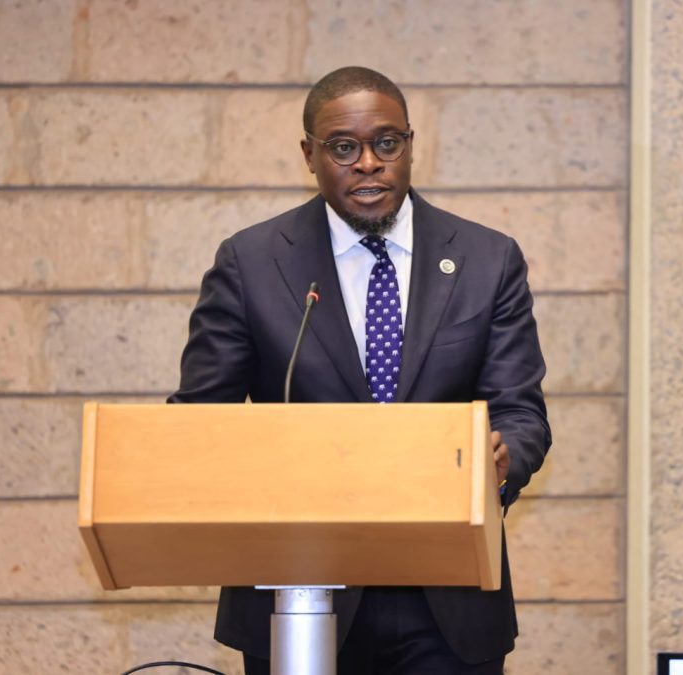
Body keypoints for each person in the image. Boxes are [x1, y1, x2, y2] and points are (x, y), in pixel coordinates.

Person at [168, 66, 551, 675]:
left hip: (445, 595)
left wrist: (506, 458)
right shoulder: (252, 262)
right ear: (309, 155)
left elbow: (520, 408)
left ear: (410, 145)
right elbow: (199, 422)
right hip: (297, 590)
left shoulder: (486, 258)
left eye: (387, 142)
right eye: (344, 147)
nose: (369, 162)